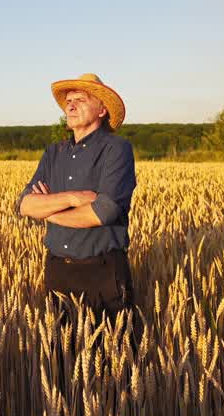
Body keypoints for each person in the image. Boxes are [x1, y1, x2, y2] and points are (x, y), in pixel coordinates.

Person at [15, 73, 137, 320]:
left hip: (102, 273)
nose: (70, 105)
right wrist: (73, 198)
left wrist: (48, 210)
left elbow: (103, 212)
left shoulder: (116, 149)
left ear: (102, 109)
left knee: (110, 355)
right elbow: (25, 205)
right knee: (60, 355)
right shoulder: (53, 153)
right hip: (57, 270)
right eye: (68, 100)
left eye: (80, 99)